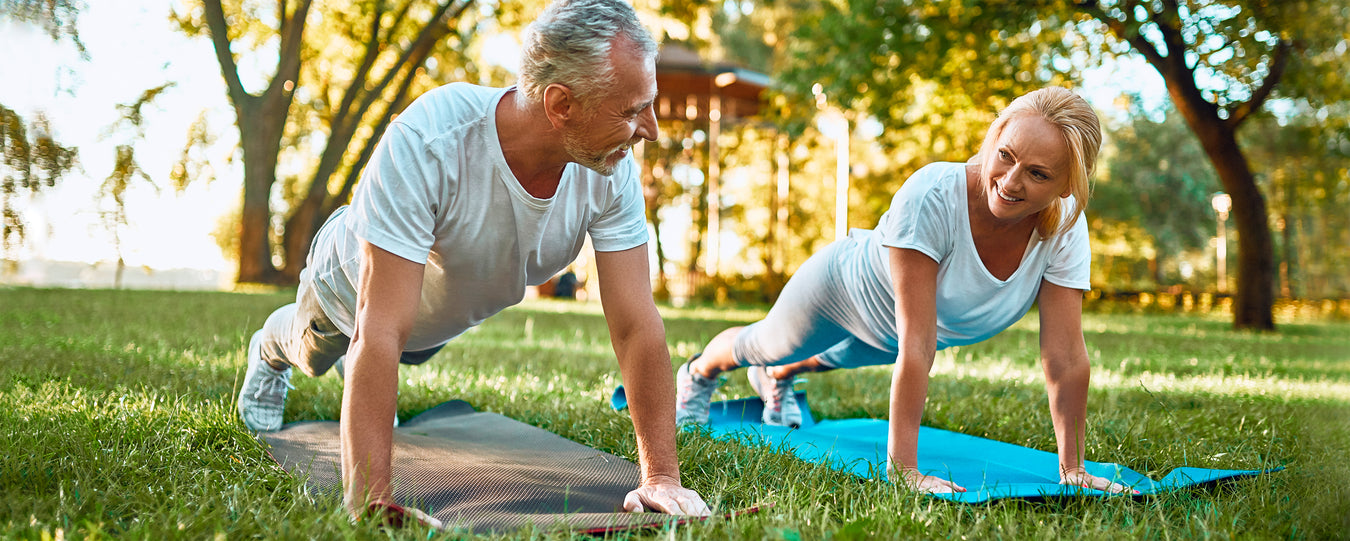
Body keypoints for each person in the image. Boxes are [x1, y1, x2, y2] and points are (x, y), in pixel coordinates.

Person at [236, 0, 710, 522]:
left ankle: (366, 374)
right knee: (315, 350)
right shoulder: (431, 142)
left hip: (433, 317)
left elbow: (637, 324)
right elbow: (377, 330)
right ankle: (268, 348)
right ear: (560, 105)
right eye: (629, 111)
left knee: (406, 349)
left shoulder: (607, 170)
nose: (650, 130)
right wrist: (370, 502)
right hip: (350, 289)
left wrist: (662, 477)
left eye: (647, 105)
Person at [675, 87, 1134, 495]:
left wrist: (1072, 468)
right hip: (843, 291)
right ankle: (698, 374)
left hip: (894, 335)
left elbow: (1065, 355)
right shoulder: (934, 193)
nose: (1011, 182)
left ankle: (778, 380)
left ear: (1068, 183)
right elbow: (917, 343)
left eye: (1038, 174)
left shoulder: (1065, 227)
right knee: (766, 345)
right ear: (993, 139)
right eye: (1006, 155)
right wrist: (905, 470)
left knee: (821, 360)